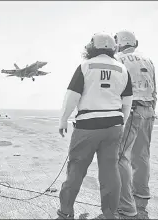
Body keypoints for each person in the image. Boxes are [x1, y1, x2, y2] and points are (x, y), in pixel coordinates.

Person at [57, 32, 133, 219]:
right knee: (110, 171)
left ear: (91, 47)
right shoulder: (122, 69)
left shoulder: (85, 66)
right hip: (114, 126)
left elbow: (71, 97)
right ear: (113, 48)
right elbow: (127, 102)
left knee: (76, 169)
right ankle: (109, 214)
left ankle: (65, 212)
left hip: (87, 127)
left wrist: (63, 120)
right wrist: (120, 122)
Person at [114, 30, 157, 217]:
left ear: (118, 42)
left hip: (131, 110)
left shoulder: (118, 60)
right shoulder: (148, 60)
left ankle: (124, 203)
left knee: (119, 156)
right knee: (142, 155)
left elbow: (116, 89)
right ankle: (141, 194)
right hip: (149, 109)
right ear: (134, 42)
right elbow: (155, 88)